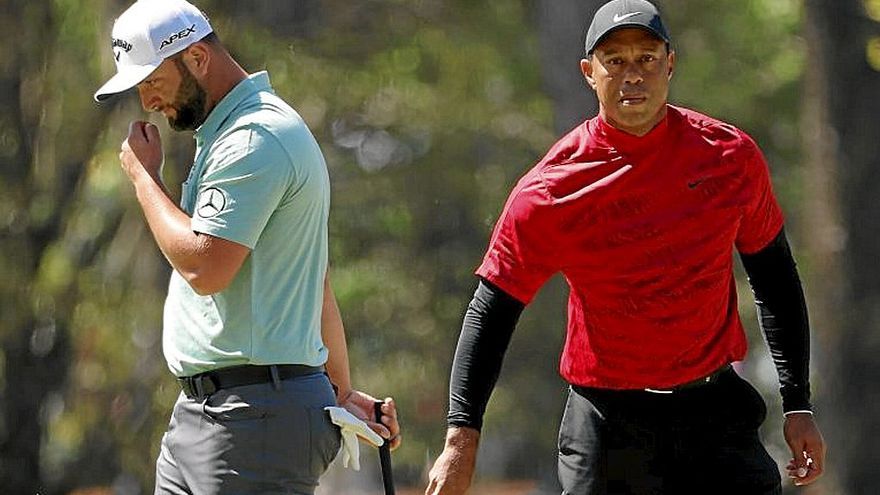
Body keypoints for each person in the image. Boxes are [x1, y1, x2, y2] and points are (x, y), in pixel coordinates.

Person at [425, 1, 825, 494]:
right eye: (614, 61)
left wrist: (797, 403)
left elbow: (775, 280)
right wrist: (461, 439)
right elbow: (491, 312)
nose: (632, 75)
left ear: (670, 64)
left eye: (647, 58)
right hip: (608, 421)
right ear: (588, 73)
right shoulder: (552, 190)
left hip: (713, 410)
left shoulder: (728, 157)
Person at [94, 0, 400, 492]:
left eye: (152, 81)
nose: (147, 101)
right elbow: (313, 280)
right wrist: (337, 391)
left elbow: (205, 268)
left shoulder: (254, 138)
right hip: (212, 415)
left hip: (252, 420)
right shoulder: (225, 137)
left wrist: (144, 178)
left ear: (196, 58)